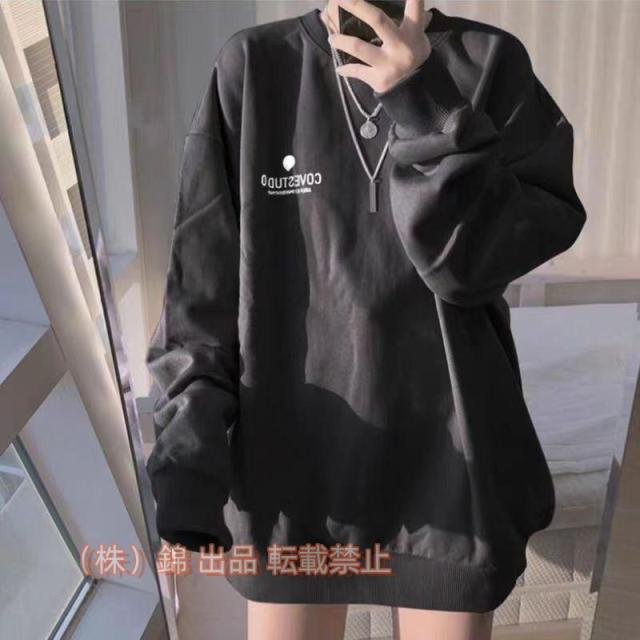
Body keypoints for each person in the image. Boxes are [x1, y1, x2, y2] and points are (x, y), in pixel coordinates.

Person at [144, 0, 587, 638]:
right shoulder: (255, 66)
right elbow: (201, 285)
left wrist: (422, 103)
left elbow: (470, 268)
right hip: (289, 480)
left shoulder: (490, 61)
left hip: (453, 476)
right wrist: (187, 459)